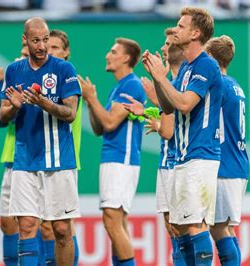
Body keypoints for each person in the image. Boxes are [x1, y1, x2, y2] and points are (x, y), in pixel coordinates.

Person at [142, 7, 223, 265]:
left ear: (195, 33)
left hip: (201, 156)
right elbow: (168, 106)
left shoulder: (206, 65)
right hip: (183, 156)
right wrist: (158, 79)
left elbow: (186, 104)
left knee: (196, 226)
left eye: (180, 25)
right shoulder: (187, 67)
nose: (175, 29)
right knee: (179, 225)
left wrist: (160, 78)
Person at [0, 17, 81, 266]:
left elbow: (71, 113)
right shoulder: (13, 70)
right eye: (36, 40)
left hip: (59, 159)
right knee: (26, 226)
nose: (42, 46)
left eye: (45, 40)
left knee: (61, 229)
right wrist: (13, 108)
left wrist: (44, 102)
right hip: (25, 159)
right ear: (25, 40)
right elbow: (3, 115)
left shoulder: (65, 70)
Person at [78, 38, 146, 266]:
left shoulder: (131, 85)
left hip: (121, 159)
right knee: (117, 221)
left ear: (126, 58)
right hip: (113, 158)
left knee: (112, 220)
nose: (108, 55)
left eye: (113, 51)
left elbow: (109, 123)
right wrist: (90, 104)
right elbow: (99, 128)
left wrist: (92, 98)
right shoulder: (119, 87)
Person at [123, 30, 186, 265]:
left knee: (183, 229)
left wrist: (156, 112)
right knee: (173, 227)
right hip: (167, 160)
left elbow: (169, 129)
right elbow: (171, 119)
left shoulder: (180, 82)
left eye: (169, 43)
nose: (163, 47)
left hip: (179, 162)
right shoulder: (172, 82)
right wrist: (148, 110)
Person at [39, 29, 81, 266]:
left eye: (56, 47)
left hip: (64, 157)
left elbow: (70, 115)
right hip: (41, 158)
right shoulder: (41, 77)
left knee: (62, 226)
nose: (49, 51)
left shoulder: (67, 80)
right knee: (45, 226)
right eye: (48, 46)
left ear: (66, 53)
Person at [206, 35, 249, 265]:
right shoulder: (236, 85)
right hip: (238, 161)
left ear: (211, 57)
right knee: (226, 228)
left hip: (224, 163)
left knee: (219, 228)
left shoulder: (217, 85)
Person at [0, 42, 28, 266]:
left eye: (24, 55)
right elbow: (2, 120)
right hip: (12, 159)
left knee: (33, 225)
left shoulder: (35, 82)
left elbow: (16, 114)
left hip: (30, 159)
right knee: (7, 223)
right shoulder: (15, 80)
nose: (18, 59)